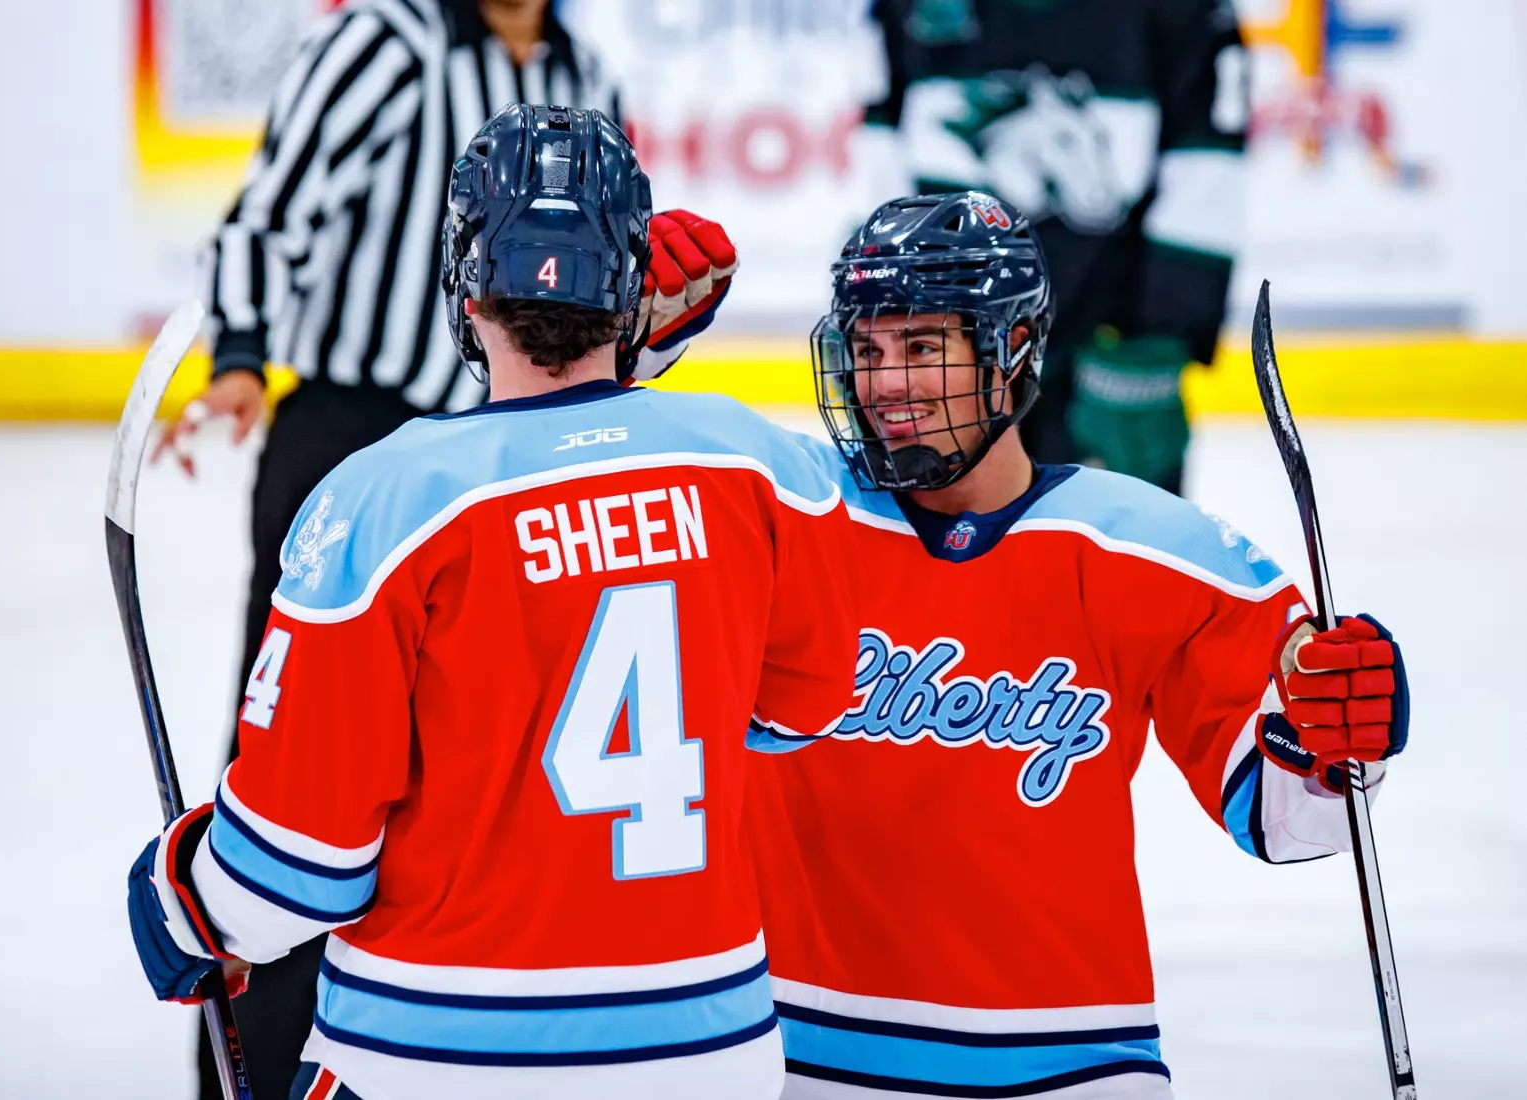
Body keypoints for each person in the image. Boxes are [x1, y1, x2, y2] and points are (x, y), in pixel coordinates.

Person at [125, 105, 861, 1100]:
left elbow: (296, 866)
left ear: (467, 292)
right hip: (711, 1047)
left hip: (440, 1055)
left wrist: (183, 901)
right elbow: (801, 706)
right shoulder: (759, 465)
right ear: (633, 284)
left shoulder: (384, 502)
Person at [712, 192, 1406, 1097]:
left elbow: (1290, 818)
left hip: (1075, 1066)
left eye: (923, 348)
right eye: (868, 350)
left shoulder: (1149, 552)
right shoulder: (782, 519)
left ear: (1011, 356)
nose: (883, 384)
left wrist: (1338, 731)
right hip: (805, 1061)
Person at [858, 0, 1249, 492]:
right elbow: (879, 161)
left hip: (1103, 339)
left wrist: (1158, 335)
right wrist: (878, 311)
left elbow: (1207, 170)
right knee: (945, 559)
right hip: (951, 346)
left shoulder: (1181, 11)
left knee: (1119, 551)